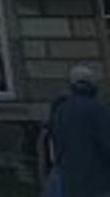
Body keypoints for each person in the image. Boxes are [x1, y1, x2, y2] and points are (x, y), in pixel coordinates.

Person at [46, 64, 110, 197]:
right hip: (98, 181)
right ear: (92, 83)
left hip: (69, 180)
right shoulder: (98, 109)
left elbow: (55, 145)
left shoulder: (60, 110)